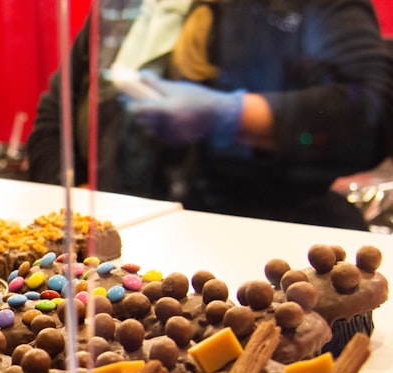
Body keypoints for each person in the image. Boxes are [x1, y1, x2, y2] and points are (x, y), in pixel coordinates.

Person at [26, 0, 393, 230]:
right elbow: (54, 120)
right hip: (125, 249)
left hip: (268, 249)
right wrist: (72, 220)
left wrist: (233, 115)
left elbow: (375, 112)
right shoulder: (122, 8)